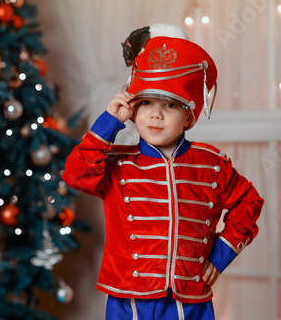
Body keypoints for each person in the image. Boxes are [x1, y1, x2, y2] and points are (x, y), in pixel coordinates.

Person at [62, 30, 264, 319]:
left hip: (190, 297)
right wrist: (108, 123)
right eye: (145, 103)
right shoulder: (117, 162)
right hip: (128, 296)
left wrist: (219, 257)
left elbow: (249, 202)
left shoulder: (212, 164)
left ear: (190, 117)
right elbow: (75, 175)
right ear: (132, 110)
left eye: (169, 105)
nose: (155, 115)